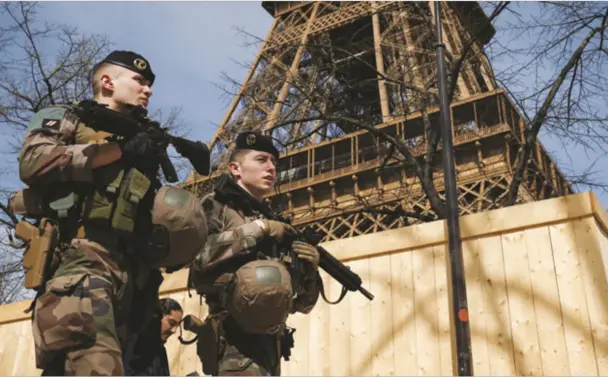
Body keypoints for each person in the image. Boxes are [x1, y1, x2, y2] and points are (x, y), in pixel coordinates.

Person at [15, 50, 207, 376]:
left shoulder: (144, 141)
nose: (148, 90)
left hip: (131, 278)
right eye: (140, 81)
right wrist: (120, 151)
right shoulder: (69, 116)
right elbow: (34, 161)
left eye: (150, 85)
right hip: (81, 260)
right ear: (107, 82)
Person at [189, 131, 322, 376]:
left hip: (271, 350)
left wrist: (311, 272)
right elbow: (198, 258)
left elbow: (302, 305)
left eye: (274, 162)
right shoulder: (216, 205)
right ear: (235, 168)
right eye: (261, 160)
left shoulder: (276, 222)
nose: (271, 168)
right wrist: (259, 230)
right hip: (233, 346)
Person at [124, 298, 184, 376]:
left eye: (177, 326)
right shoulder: (132, 343)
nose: (174, 331)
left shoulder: (160, 350)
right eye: (172, 323)